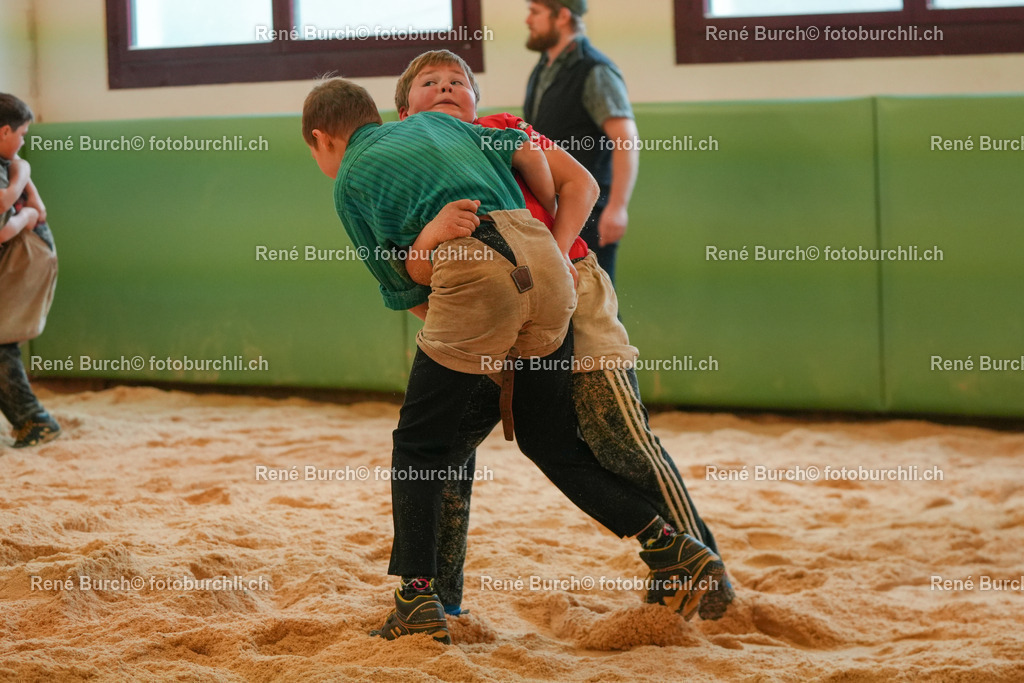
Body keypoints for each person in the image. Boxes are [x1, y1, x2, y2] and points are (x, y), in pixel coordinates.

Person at [301, 78, 724, 644]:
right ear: (377, 113)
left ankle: (417, 599)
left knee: (419, 446)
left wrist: (450, 304)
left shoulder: (350, 178)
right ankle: (669, 545)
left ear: (321, 139)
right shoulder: (446, 125)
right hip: (549, 263)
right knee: (550, 442)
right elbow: (526, 157)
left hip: (473, 271)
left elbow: (401, 287)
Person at [524, 0, 638, 286]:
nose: (528, 20)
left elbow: (625, 139)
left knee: (595, 302)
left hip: (590, 212)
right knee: (560, 301)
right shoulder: (543, 68)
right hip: (552, 210)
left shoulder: (595, 70)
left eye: (535, 12)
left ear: (562, 16)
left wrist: (617, 208)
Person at [0, 93, 61, 449]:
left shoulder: (11, 163)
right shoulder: (13, 165)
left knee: (1, 339)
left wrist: (26, 213)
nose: (23, 141)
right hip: (21, 249)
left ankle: (35, 420)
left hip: (25, 253)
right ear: (5, 131)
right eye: (22, 133)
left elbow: (10, 225)